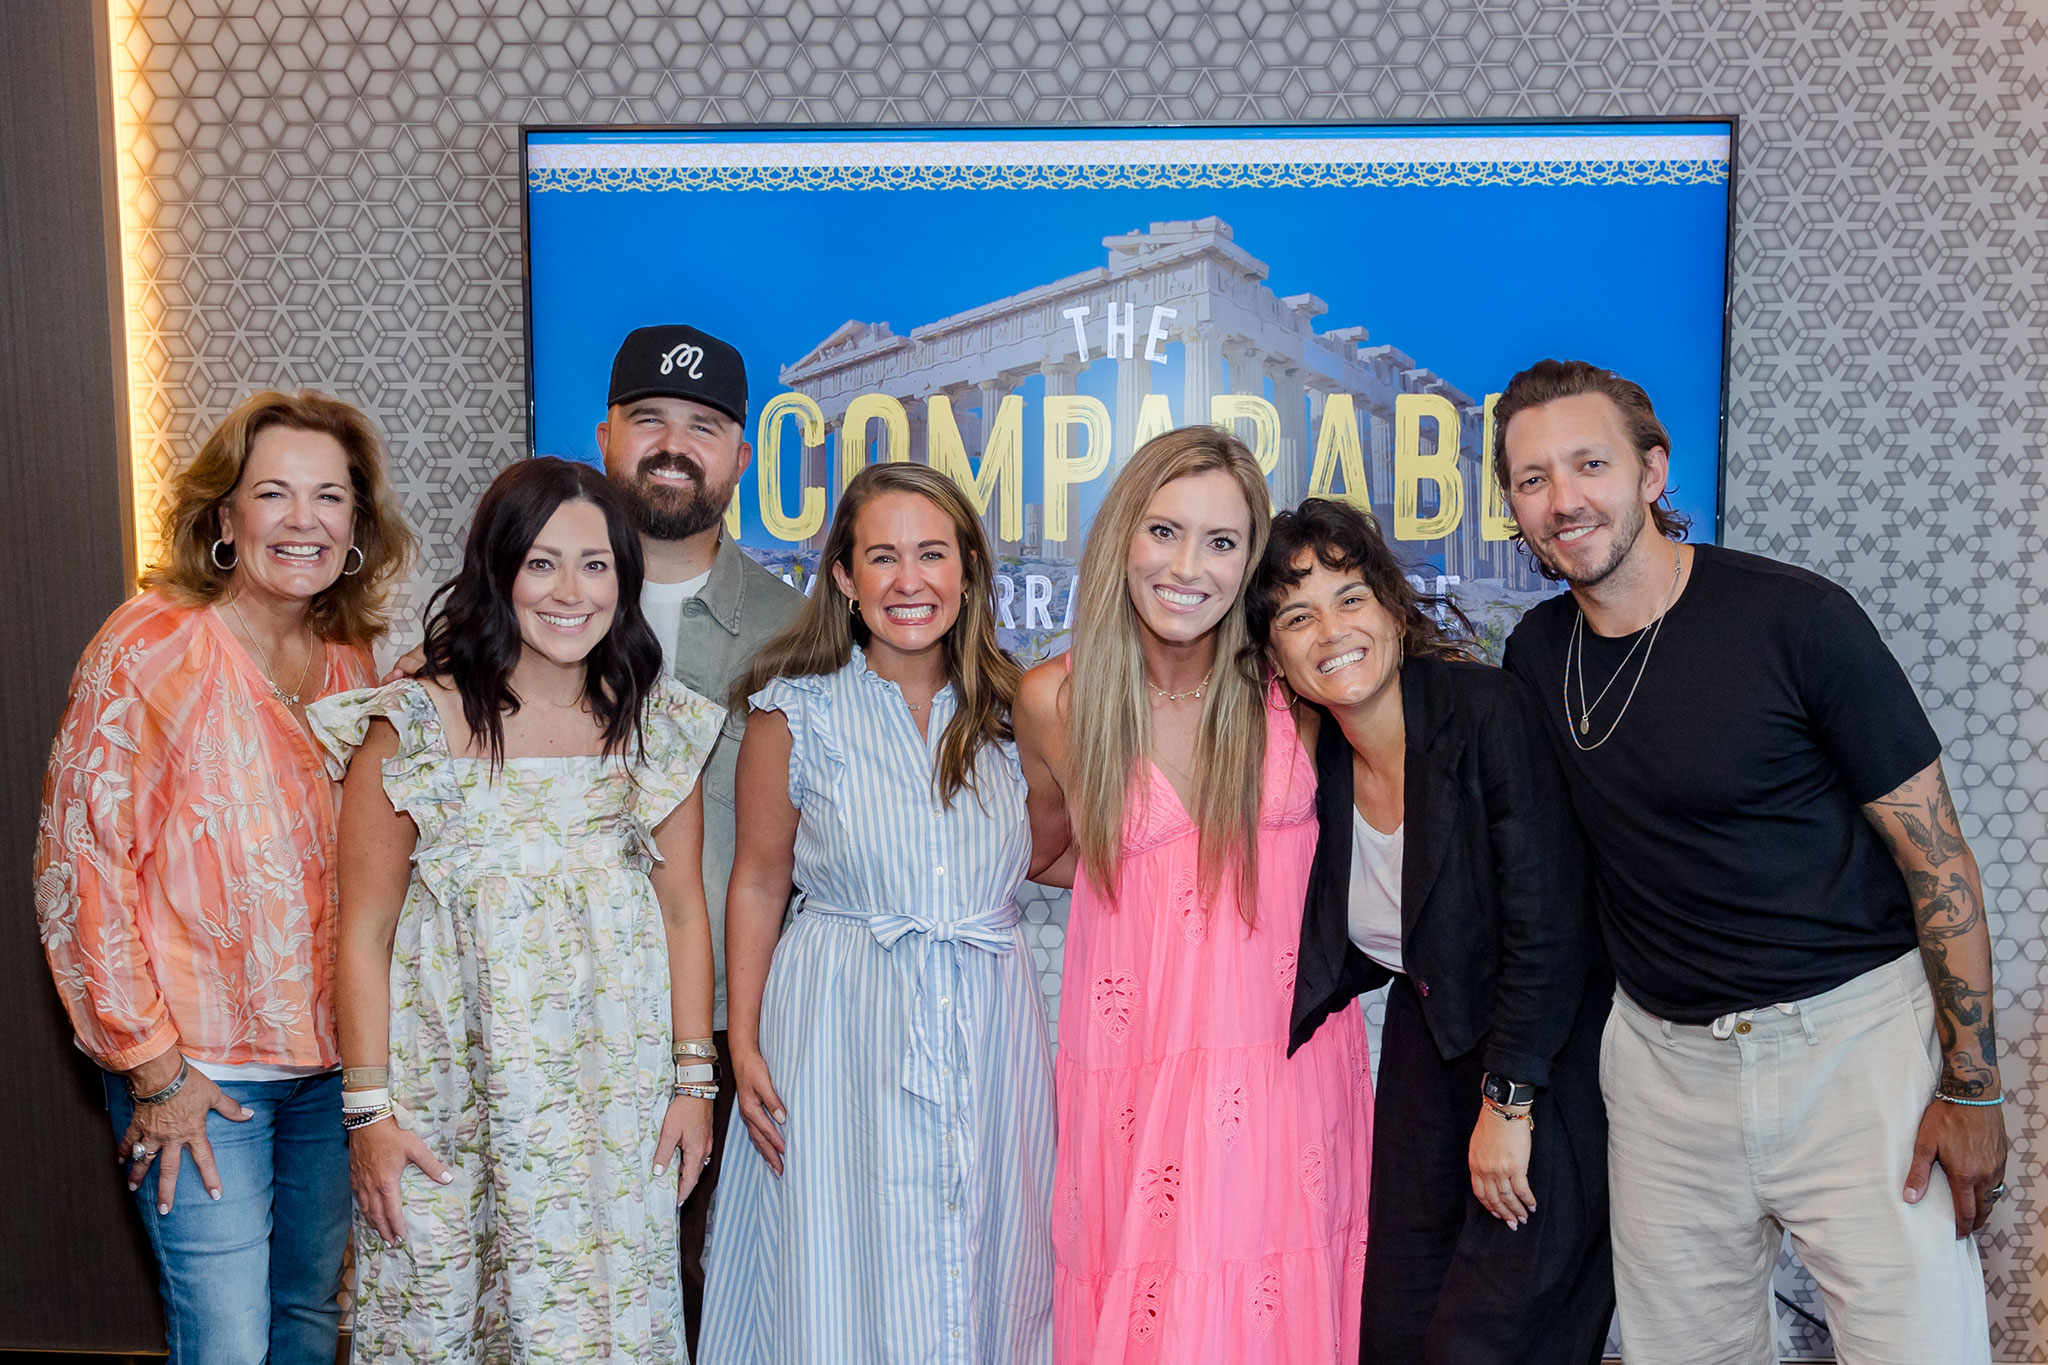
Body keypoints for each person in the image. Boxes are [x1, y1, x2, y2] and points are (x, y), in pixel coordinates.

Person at [1495, 358, 2004, 1364]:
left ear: (1650, 471)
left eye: (1587, 464)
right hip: (1660, 1071)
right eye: (1530, 479)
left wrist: (1972, 1089)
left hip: (1850, 1052)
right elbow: (1541, 883)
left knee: (1920, 1349)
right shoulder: (1534, 654)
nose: (1562, 501)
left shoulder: (1794, 621)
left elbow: (1936, 860)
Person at [34, 389, 415, 1364]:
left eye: (329, 498)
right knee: (226, 1341)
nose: (303, 521)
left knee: (303, 1321)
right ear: (224, 516)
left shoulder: (345, 656)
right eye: (274, 494)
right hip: (200, 1076)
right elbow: (81, 870)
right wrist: (154, 1070)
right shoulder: (150, 645)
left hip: (329, 1071)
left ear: (356, 524)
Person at [316, 457, 723, 1361]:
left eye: (595, 564)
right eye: (541, 562)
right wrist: (369, 1115)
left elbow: (685, 914)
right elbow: (365, 932)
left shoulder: (658, 729)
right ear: (497, 570)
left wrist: (694, 1085)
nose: (569, 591)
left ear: (624, 578)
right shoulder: (412, 726)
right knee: (441, 1318)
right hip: (442, 1104)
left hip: (609, 1109)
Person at [1014, 428, 1372, 1363]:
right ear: (1122, 536)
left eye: (1221, 541)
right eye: (1164, 531)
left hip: (1285, 1066)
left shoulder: (1298, 686)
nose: (1187, 566)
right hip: (1140, 1070)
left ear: (1251, 560)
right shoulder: (1057, 695)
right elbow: (1051, 851)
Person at [700, 461, 1055, 1363]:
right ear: (846, 581)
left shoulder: (1020, 715)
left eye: (932, 554)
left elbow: (1057, 849)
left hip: (987, 1017)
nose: (909, 580)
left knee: (986, 1240)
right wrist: (742, 1041)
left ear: (968, 572)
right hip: (837, 1019)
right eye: (883, 556)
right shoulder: (795, 711)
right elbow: (757, 880)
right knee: (843, 1248)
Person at [1247, 497, 1614, 1364]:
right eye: (1298, 616)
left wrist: (1509, 1102)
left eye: (1350, 597)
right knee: (1397, 1325)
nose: (1331, 629)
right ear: (1275, 656)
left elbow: (1550, 925)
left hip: (1546, 1063)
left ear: (1390, 606)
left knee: (1489, 1338)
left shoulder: (1485, 711)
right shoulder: (1319, 760)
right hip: (1426, 1044)